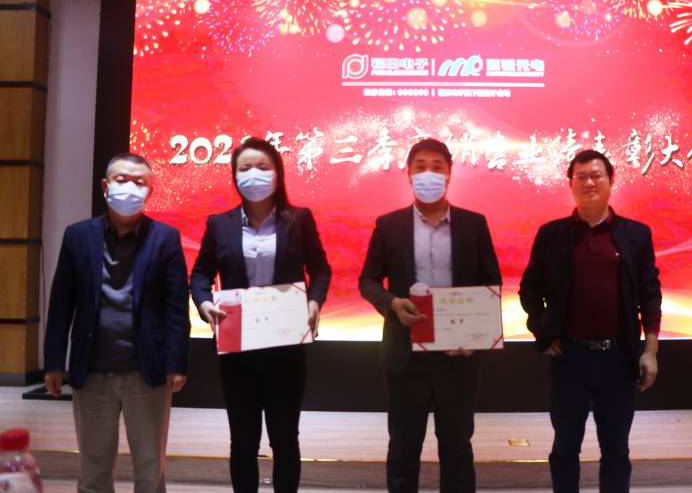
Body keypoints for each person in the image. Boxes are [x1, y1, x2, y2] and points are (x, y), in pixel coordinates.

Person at [359, 138, 501, 493]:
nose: (429, 174)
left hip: (458, 355)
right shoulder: (388, 225)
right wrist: (392, 304)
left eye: (437, 166)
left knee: (457, 448)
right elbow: (368, 280)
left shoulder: (474, 224)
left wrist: (476, 335)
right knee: (403, 448)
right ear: (408, 174)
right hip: (405, 354)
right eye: (420, 166)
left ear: (449, 174)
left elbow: (491, 283)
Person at [190, 138, 331, 493]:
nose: (254, 174)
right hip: (237, 349)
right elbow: (201, 274)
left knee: (285, 439)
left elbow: (321, 269)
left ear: (278, 174)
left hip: (285, 347)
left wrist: (314, 302)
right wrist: (204, 304)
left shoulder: (299, 219)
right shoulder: (219, 224)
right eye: (246, 168)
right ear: (235, 176)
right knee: (242, 441)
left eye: (263, 167)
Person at [44, 153, 190, 493]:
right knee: (93, 472)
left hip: (147, 372)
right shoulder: (78, 236)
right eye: (121, 179)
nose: (130, 187)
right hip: (92, 371)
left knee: (150, 471)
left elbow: (175, 307)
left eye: (140, 182)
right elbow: (62, 302)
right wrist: (54, 362)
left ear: (150, 191)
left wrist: (177, 363)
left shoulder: (165, 237)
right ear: (105, 186)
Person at [519, 149, 662, 493]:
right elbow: (529, 289)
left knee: (616, 450)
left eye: (597, 176)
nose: (589, 183)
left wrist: (650, 351)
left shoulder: (635, 234)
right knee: (565, 448)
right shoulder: (552, 235)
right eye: (581, 177)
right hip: (570, 358)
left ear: (611, 181)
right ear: (570, 184)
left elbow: (650, 295)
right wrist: (542, 332)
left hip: (619, 358)